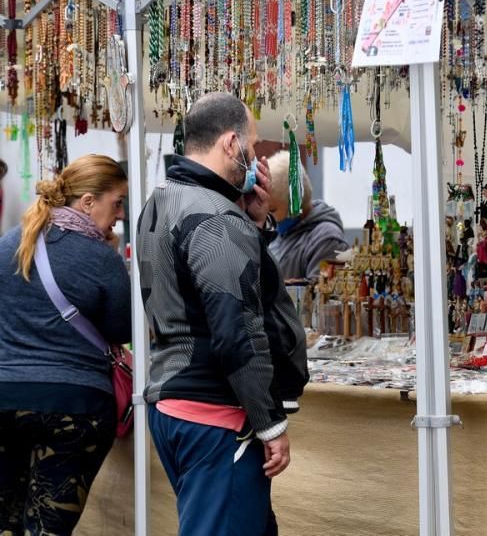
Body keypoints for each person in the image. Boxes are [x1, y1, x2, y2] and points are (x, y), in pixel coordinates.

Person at [136, 93, 291, 536]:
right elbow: (237, 332)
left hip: (177, 400)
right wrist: (269, 422)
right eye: (253, 144)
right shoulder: (215, 217)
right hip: (214, 413)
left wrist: (254, 226)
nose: (256, 156)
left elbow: (199, 296)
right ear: (230, 144)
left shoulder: (164, 199)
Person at [0, 154, 130, 535]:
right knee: (47, 530)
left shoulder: (8, 243)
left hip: (5, 398)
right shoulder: (101, 258)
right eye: (117, 202)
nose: (120, 214)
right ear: (88, 202)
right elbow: (120, 329)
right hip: (75, 406)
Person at [267, 150, 349, 281]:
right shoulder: (281, 233)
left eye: (272, 209)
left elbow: (321, 295)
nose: (267, 216)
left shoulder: (327, 240)